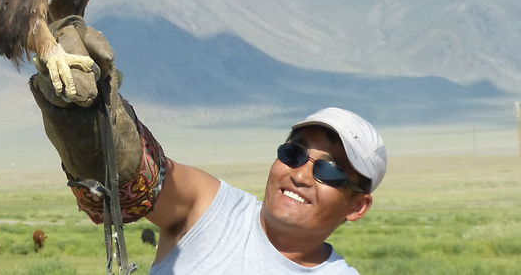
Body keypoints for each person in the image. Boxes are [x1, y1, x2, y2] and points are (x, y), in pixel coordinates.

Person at [30, 17, 387, 273]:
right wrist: (89, 112)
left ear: (358, 206)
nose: (301, 175)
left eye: (329, 170)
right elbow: (136, 180)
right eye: (293, 154)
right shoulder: (211, 208)